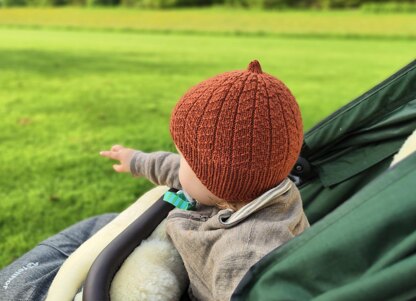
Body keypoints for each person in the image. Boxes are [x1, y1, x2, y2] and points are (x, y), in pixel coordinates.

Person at [99, 60, 310, 301]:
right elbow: (178, 171)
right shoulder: (245, 188)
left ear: (220, 178)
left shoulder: (243, 257)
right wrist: (136, 160)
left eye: (185, 158)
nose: (179, 164)